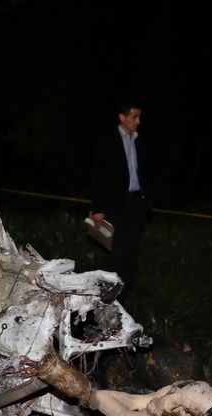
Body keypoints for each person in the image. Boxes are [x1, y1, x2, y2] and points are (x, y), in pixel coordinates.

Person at [91, 101, 151, 298]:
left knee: (132, 251)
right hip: (115, 205)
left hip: (136, 203)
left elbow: (145, 173)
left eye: (139, 116)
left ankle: (128, 295)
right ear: (122, 117)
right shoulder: (107, 141)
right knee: (117, 252)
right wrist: (98, 209)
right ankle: (109, 295)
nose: (138, 121)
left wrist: (146, 200)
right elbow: (98, 175)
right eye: (134, 116)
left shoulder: (140, 141)